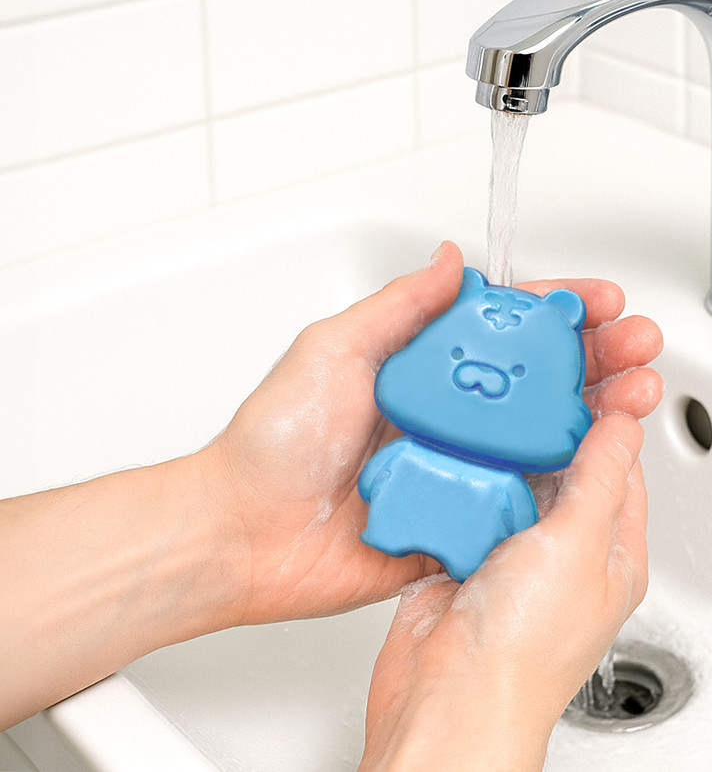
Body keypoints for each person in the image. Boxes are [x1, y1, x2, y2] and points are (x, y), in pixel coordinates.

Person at [0, 241, 664, 771]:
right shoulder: (434, 469)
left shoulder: (466, 478)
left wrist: (229, 519)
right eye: (460, 358)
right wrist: (489, 696)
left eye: (512, 375)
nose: (480, 377)